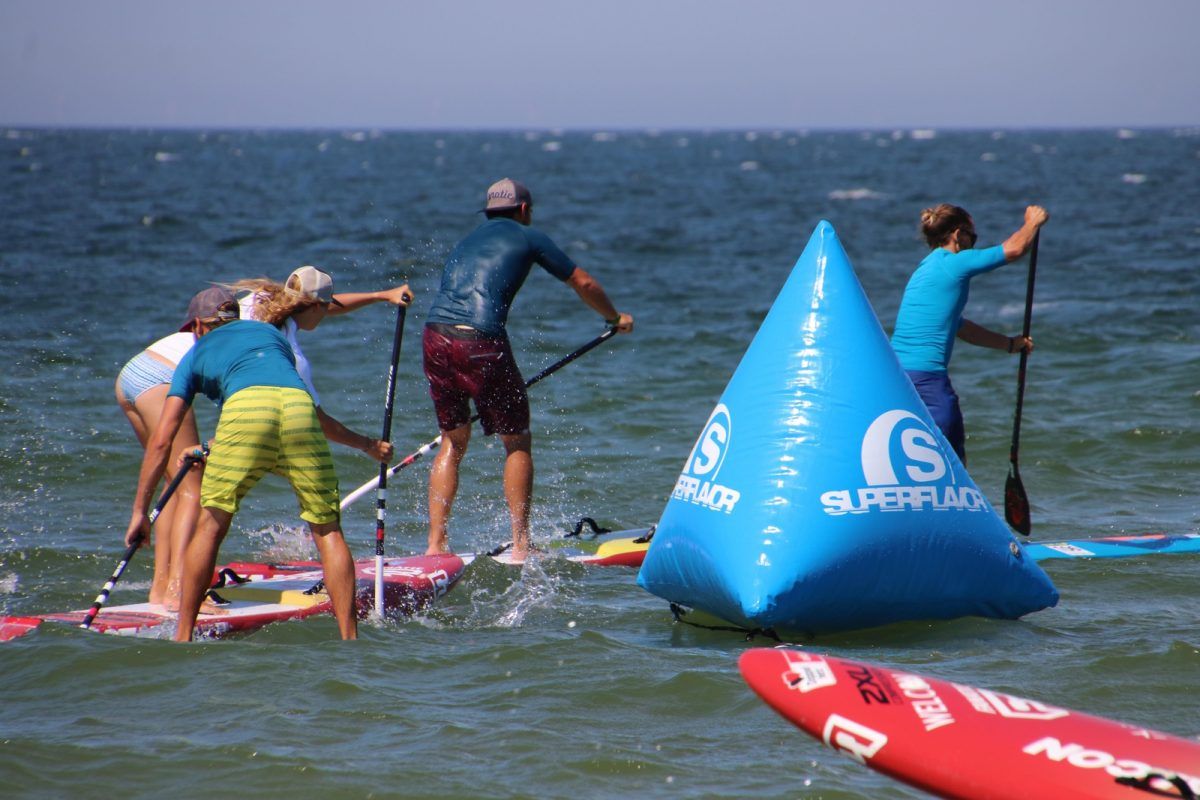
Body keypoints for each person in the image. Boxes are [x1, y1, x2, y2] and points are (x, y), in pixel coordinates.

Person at [124, 288, 359, 641]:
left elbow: (162, 441)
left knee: (211, 526)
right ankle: (349, 639)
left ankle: (183, 636)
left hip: (246, 416)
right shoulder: (269, 333)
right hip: (299, 411)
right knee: (328, 530)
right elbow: (274, 391)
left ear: (199, 326)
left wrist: (140, 512)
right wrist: (212, 447)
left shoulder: (194, 355)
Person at [423, 178, 634, 562]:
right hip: (481, 341)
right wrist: (614, 317)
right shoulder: (529, 237)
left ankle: (436, 545)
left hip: (435, 336)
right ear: (523, 210)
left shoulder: (465, 242)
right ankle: (522, 543)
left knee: (453, 441)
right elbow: (582, 281)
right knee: (516, 441)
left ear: (488, 213)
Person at [890, 203, 1049, 463]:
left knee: (913, 457)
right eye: (972, 237)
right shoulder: (953, 262)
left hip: (896, 376)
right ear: (957, 234)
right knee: (951, 462)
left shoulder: (926, 268)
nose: (973, 244)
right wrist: (1032, 223)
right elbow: (1015, 249)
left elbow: (961, 327)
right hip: (927, 379)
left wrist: (1010, 344)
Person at [114, 287, 238, 610]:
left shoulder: (194, 336)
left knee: (176, 482)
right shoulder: (226, 341)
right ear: (197, 326)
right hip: (159, 379)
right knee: (194, 486)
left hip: (131, 375)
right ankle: (179, 590)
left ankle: (160, 590)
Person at [234, 265, 413, 463]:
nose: (329, 310)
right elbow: (319, 421)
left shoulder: (262, 297)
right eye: (326, 306)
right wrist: (369, 445)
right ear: (316, 307)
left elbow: (319, 305)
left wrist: (382, 295)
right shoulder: (290, 355)